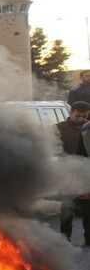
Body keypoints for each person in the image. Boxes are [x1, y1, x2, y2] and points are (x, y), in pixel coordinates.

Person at [57, 101, 90, 245]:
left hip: (85, 173)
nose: (82, 119)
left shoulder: (86, 128)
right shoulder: (58, 128)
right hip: (67, 173)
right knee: (67, 207)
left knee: (87, 209)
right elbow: (54, 150)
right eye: (78, 116)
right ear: (70, 113)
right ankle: (64, 239)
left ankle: (88, 238)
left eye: (85, 116)